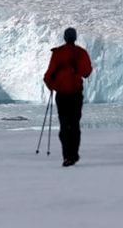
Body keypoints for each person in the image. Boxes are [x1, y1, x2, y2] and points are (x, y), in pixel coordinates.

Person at [44, 27, 92, 167]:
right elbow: (87, 72)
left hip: (62, 95)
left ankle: (67, 156)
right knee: (75, 124)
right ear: (75, 38)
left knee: (64, 125)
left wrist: (53, 86)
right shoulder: (81, 53)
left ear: (65, 38)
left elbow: (48, 75)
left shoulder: (57, 53)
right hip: (76, 94)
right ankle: (74, 154)